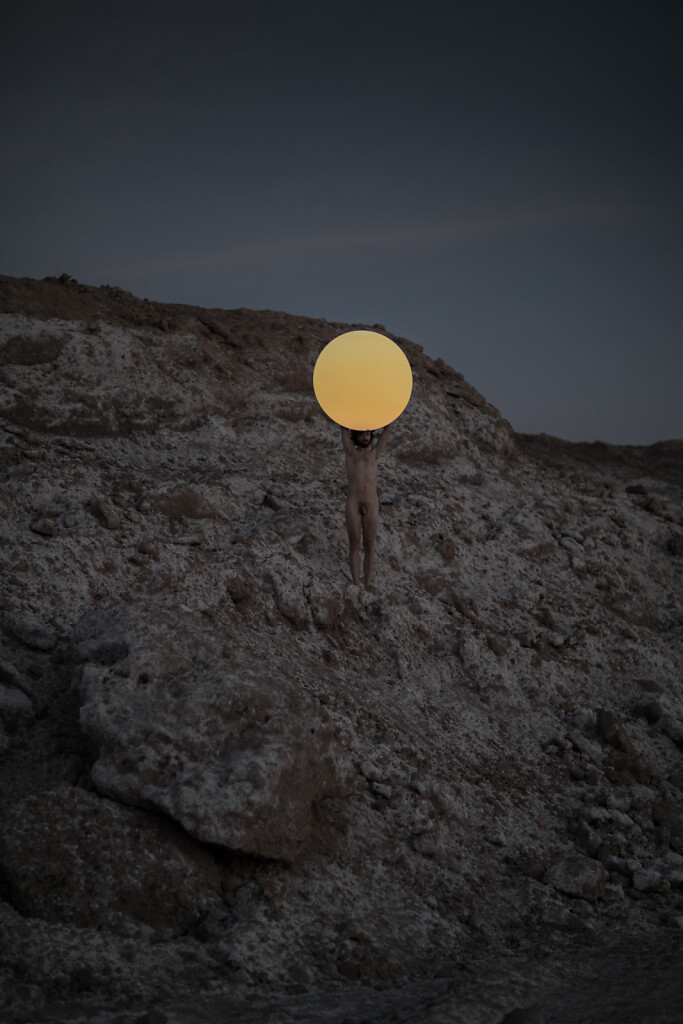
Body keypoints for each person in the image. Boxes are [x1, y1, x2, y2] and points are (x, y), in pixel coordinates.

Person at [340, 423, 393, 588]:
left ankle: (368, 584)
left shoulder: (375, 453)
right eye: (362, 434)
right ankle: (356, 583)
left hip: (371, 503)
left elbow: (387, 431)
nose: (365, 437)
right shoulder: (350, 452)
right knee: (354, 542)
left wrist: (388, 418)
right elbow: (343, 427)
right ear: (355, 435)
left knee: (369, 544)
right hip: (353, 502)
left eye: (368, 434)